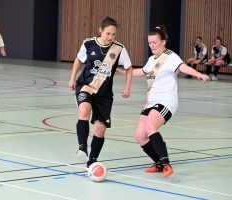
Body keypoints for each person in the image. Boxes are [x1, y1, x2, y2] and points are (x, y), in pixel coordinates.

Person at [130, 25, 209, 177]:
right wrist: (122, 72)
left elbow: (183, 67)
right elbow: (142, 71)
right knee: (140, 136)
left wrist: (198, 74)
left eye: (155, 42)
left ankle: (166, 163)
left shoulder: (170, 57)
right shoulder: (152, 59)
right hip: (151, 102)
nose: (152, 45)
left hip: (165, 101)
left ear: (163, 42)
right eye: (150, 42)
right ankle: (159, 163)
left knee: (150, 127)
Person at [69, 17, 133, 169]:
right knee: (84, 110)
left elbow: (129, 68)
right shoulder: (88, 43)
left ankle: (92, 160)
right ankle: (82, 148)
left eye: (114, 34)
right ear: (100, 30)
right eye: (108, 33)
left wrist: (128, 87)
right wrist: (72, 79)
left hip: (104, 94)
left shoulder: (119, 48)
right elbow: (78, 60)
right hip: (86, 85)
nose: (111, 37)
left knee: (100, 129)